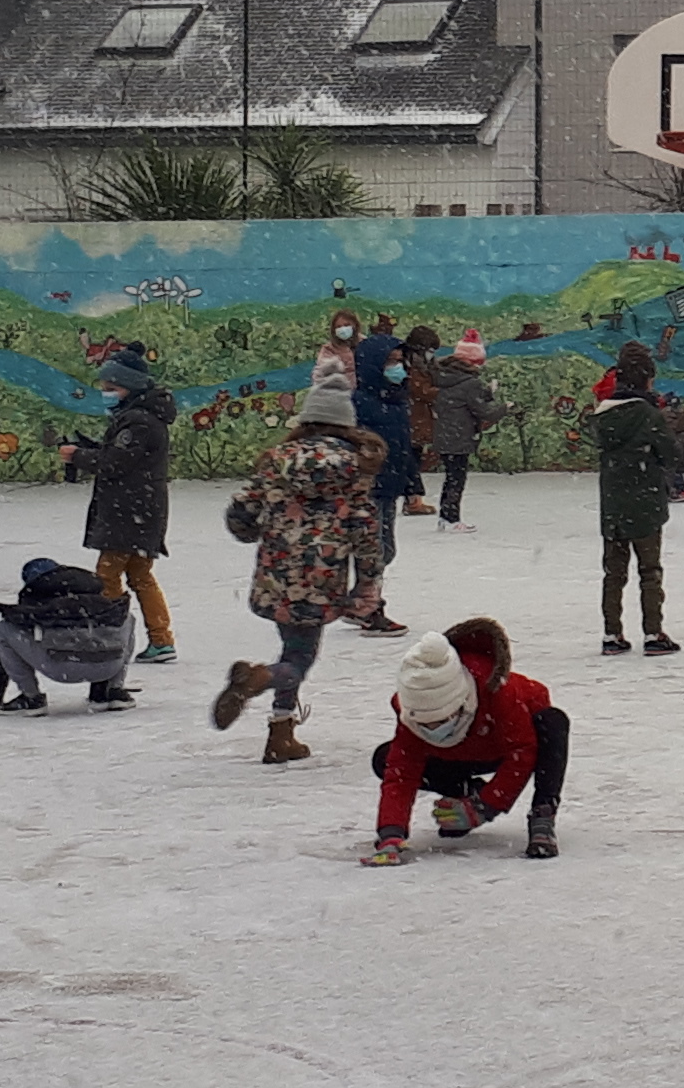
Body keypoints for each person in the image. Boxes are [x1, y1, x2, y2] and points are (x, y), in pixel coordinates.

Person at [212, 376, 387, 762]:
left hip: (276, 573)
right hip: (323, 578)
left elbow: (243, 509)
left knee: (292, 646)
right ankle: (261, 679)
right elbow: (364, 528)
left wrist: (254, 531)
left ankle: (281, 735)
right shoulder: (354, 469)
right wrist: (369, 578)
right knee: (298, 659)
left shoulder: (276, 462)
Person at [360, 617, 568, 863]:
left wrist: (485, 807)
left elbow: (521, 753)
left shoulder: (498, 691)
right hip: (456, 754)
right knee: (385, 758)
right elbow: (401, 772)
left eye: (439, 720)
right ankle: (467, 792)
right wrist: (390, 835)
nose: (431, 728)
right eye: (423, 724)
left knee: (554, 723)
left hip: (503, 746)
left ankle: (543, 813)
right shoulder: (410, 711)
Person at [75, 339, 180, 661]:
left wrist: (79, 455)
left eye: (110, 386)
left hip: (129, 511)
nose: (105, 391)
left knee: (106, 577)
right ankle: (161, 640)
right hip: (139, 509)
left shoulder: (139, 421)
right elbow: (120, 456)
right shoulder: (141, 417)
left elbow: (116, 463)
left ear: (127, 386)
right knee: (140, 575)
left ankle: (112, 635)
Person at [590, 341, 682, 658]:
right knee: (650, 571)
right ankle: (654, 632)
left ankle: (611, 633)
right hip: (646, 502)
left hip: (613, 505)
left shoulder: (603, 415)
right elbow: (671, 453)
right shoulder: (647, 414)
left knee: (613, 573)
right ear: (645, 379)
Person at [0, 555, 141, 711]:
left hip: (60, 667)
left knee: (5, 629)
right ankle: (111, 691)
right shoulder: (92, 590)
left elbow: (14, 626)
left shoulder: (35, 596)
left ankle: (31, 698)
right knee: (126, 618)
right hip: (109, 665)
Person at [418, 330, 495, 527]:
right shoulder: (470, 382)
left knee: (451, 477)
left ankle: (446, 516)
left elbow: (461, 400)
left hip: (444, 434)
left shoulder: (445, 377)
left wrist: (485, 393)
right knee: (456, 479)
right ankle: (451, 518)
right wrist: (505, 408)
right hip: (460, 436)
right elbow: (482, 410)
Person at [365, 326, 424, 519]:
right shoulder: (359, 402)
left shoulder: (398, 400)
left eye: (400, 361)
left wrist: (410, 484)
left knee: (387, 544)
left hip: (391, 486)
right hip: (368, 487)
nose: (397, 367)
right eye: (391, 361)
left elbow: (403, 446)